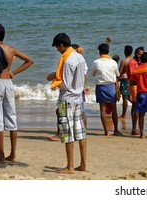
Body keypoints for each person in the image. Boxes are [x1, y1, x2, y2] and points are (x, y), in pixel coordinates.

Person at [50, 33, 87, 174]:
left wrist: (52, 79)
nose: (58, 51)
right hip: (78, 97)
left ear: (61, 45)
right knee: (80, 132)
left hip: (67, 98)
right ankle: (83, 164)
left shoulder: (67, 60)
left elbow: (64, 82)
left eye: (57, 48)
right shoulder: (80, 57)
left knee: (67, 133)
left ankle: (70, 166)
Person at [0, 24, 33, 163]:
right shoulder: (11, 49)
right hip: (9, 84)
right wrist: (13, 73)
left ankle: (1, 156)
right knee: (12, 118)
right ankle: (12, 154)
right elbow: (29, 61)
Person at [92, 43, 122, 136]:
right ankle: (116, 130)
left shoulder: (96, 62)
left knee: (102, 110)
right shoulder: (113, 62)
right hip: (111, 86)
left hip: (100, 87)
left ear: (99, 52)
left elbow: (93, 73)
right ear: (108, 51)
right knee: (114, 109)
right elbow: (117, 74)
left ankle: (106, 131)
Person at [126, 46, 144, 135]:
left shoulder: (139, 62)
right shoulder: (132, 63)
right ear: (135, 53)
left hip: (138, 86)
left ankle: (135, 127)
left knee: (135, 106)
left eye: (141, 54)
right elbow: (134, 77)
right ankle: (134, 128)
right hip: (134, 86)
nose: (140, 56)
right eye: (139, 54)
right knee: (136, 106)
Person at [118, 45, 133, 120]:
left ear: (125, 52)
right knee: (129, 96)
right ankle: (136, 105)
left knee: (125, 98)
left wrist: (116, 78)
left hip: (124, 80)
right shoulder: (134, 60)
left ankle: (124, 114)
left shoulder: (124, 61)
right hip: (132, 80)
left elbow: (119, 72)